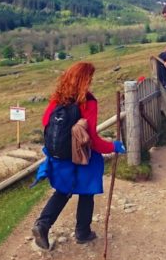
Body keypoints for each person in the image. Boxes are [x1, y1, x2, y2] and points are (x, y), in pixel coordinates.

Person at [31, 61, 126, 250]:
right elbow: (93, 140)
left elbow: (45, 122)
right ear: (85, 80)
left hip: (60, 157)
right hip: (82, 156)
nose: (91, 82)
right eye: (90, 78)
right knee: (87, 190)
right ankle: (82, 232)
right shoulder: (88, 102)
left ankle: (43, 224)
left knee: (63, 191)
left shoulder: (58, 99)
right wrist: (113, 146)